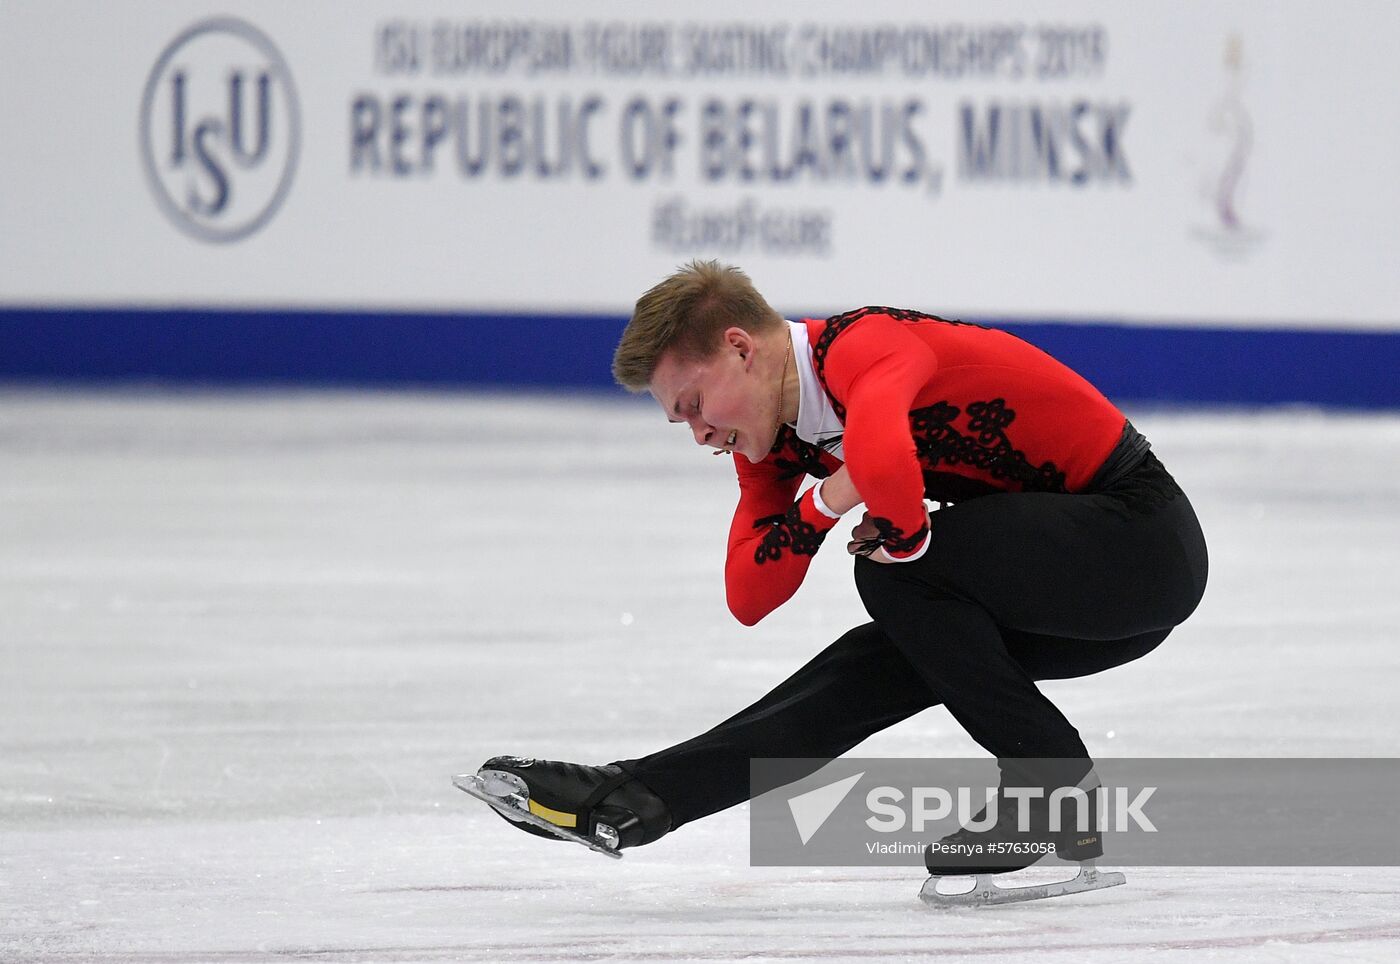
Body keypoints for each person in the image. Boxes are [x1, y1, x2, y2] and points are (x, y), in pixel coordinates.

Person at [474, 260, 1208, 880]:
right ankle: (641, 796)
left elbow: (886, 457)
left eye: (695, 405)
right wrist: (825, 503)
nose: (700, 434)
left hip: (1140, 543)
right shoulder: (772, 447)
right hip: (1069, 604)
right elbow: (749, 595)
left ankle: (1054, 790)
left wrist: (887, 523)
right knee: (883, 655)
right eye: (683, 422)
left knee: (894, 578)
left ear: (741, 348)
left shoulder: (860, 347)